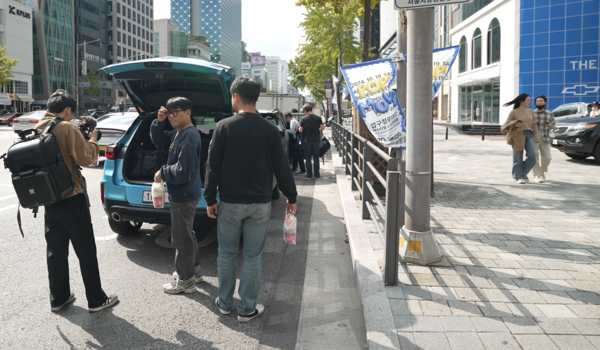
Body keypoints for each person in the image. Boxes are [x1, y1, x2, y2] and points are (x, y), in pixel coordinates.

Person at [204, 77, 298, 322]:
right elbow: (282, 167)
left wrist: (209, 198)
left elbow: (212, 166)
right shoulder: (269, 130)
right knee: (253, 257)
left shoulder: (223, 127)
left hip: (229, 202)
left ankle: (224, 304)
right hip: (259, 203)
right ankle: (247, 309)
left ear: (235, 96)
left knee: (226, 254)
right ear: (256, 98)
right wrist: (292, 196)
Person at [35, 90, 118, 313]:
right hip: (72, 197)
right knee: (86, 251)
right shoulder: (67, 127)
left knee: (56, 251)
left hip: (50, 198)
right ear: (68, 110)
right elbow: (86, 158)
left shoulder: (38, 127)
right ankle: (96, 300)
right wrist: (92, 139)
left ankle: (58, 298)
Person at [151, 97, 203, 294]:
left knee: (181, 238)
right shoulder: (179, 133)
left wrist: (162, 172)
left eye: (176, 112)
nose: (172, 116)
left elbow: (183, 171)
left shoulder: (189, 136)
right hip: (186, 192)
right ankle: (194, 271)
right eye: (169, 112)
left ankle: (185, 281)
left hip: (183, 194)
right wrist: (159, 121)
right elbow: (159, 141)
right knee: (186, 234)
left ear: (188, 112)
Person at [501, 93, 539, 184]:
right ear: (522, 101)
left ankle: (523, 172)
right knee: (517, 157)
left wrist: (536, 137)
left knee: (533, 155)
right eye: (528, 100)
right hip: (517, 134)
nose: (530, 102)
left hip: (528, 134)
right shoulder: (514, 112)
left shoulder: (530, 111)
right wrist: (515, 124)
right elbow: (506, 124)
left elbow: (534, 125)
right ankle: (518, 177)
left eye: (529, 100)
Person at [531, 95, 554, 183]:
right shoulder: (532, 113)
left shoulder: (550, 114)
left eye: (541, 101)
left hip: (545, 136)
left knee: (547, 157)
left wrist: (550, 125)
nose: (539, 102)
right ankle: (536, 175)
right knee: (534, 157)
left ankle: (542, 171)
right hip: (534, 136)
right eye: (537, 101)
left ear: (545, 103)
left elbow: (553, 125)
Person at [299, 103, 324, 179]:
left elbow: (300, 130)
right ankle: (317, 175)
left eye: (303, 111)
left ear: (306, 111)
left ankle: (309, 175)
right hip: (316, 140)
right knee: (316, 158)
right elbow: (322, 127)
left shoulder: (303, 119)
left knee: (308, 158)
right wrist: (318, 129)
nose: (303, 112)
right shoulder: (318, 118)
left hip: (307, 141)